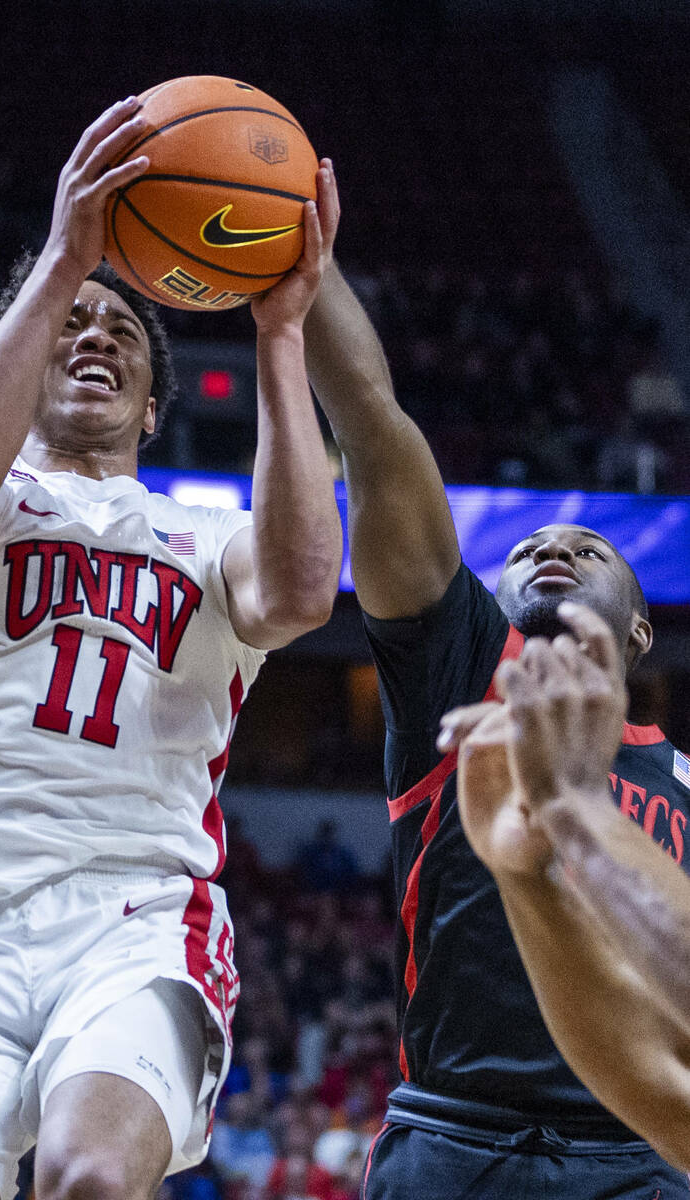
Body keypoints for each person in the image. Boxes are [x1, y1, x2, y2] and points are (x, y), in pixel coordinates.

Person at [0, 97, 342, 1200]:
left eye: (124, 334)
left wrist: (280, 333)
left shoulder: (206, 537)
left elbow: (297, 593)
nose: (95, 334)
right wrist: (64, 259)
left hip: (132, 919)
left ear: (152, 412)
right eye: (70, 326)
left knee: (91, 1177)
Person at [302, 225, 690, 1197]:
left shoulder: (684, 781)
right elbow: (377, 433)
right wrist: (301, 282)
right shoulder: (463, 669)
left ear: (639, 636)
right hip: (456, 1133)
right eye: (524, 551)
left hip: (646, 1143)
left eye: (588, 550)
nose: (551, 548)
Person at [439, 601, 690, 1169]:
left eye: (586, 550)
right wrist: (527, 881)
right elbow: (673, 1110)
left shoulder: (674, 774)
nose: (554, 556)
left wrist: (576, 808)